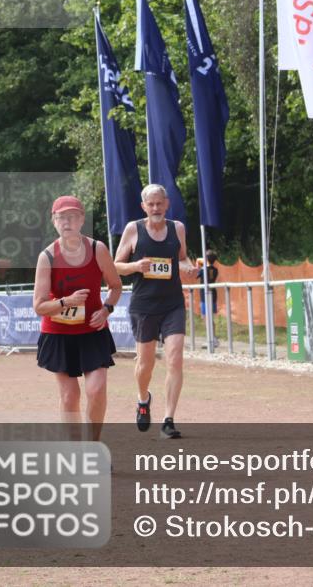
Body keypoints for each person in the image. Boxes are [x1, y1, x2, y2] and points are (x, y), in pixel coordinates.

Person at [33, 196, 122, 441]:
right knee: (70, 396)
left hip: (93, 333)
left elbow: (115, 286)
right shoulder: (47, 257)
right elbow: (39, 306)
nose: (67, 221)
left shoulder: (97, 249)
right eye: (61, 217)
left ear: (82, 219)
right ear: (53, 221)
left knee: (96, 390)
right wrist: (65, 302)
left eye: (72, 216)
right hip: (58, 335)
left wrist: (106, 310)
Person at [114, 184, 195, 439]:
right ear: (143, 207)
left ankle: (169, 420)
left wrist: (189, 267)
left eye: (160, 203)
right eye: (151, 204)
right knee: (145, 364)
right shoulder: (133, 229)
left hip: (172, 303)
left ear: (167, 203)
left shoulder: (177, 228)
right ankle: (143, 398)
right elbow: (116, 266)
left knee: (175, 358)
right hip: (144, 305)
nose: (156, 208)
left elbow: (182, 257)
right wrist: (137, 265)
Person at [196, 250, 219, 349]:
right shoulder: (215, 269)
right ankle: (213, 338)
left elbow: (196, 275)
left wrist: (198, 266)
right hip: (213, 294)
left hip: (205, 295)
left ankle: (210, 339)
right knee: (210, 317)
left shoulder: (203, 269)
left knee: (206, 317)